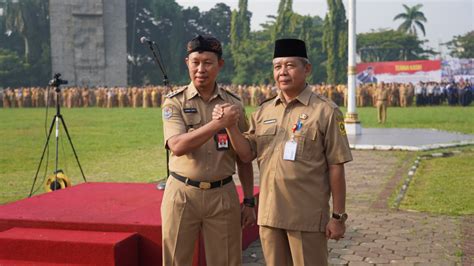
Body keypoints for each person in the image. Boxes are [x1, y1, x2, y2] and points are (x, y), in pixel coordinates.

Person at [213, 38, 352, 265]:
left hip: (306, 217)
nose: (283, 72)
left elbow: (336, 166)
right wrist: (229, 126)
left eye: (290, 65)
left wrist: (338, 217)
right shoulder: (264, 111)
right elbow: (247, 155)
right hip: (270, 216)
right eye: (278, 67)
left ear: (306, 69)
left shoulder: (325, 111)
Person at [160, 35, 256, 266]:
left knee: (226, 261)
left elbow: (244, 157)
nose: (201, 69)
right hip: (182, 193)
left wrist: (250, 201)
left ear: (219, 65)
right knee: (175, 260)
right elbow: (178, 146)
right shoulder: (175, 102)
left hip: (222, 194)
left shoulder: (233, 104)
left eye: (208, 62)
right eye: (195, 62)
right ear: (187, 63)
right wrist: (217, 124)